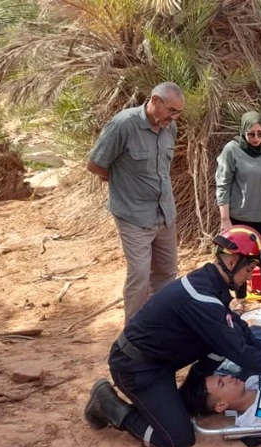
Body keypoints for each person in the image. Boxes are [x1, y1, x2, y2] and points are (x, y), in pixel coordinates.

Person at [83, 226, 261, 447]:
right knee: (176, 441)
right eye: (249, 268)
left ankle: (182, 399)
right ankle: (110, 406)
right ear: (232, 261)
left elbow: (240, 331)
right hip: (137, 368)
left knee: (220, 349)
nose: (250, 275)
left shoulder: (211, 284)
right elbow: (238, 350)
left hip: (163, 360)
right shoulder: (202, 298)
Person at [87, 82, 184, 322]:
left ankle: (160, 325)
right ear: (154, 101)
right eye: (171, 110)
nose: (174, 117)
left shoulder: (169, 128)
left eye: (178, 113)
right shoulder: (123, 125)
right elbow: (95, 164)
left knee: (166, 273)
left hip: (164, 213)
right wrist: (123, 182)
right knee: (140, 274)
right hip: (133, 215)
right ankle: (134, 334)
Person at [215, 111, 261, 309]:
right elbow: (223, 184)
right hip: (240, 216)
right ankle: (240, 299)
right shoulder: (231, 150)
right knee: (240, 259)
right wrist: (224, 218)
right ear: (243, 132)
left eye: (260, 133)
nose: (256, 138)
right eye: (251, 134)